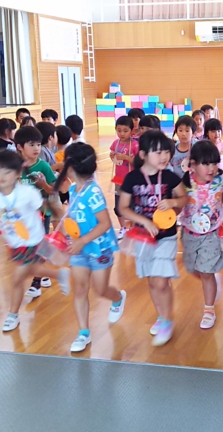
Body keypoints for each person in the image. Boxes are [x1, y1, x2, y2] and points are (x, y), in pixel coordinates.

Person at [0, 150, 70, 332]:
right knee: (33, 270)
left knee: (18, 277)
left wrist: (64, 223)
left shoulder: (27, 193)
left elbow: (47, 206)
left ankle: (12, 315)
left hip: (32, 239)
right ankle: (60, 275)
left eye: (7, 172)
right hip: (14, 241)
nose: (1, 176)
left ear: (16, 174)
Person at [54, 143, 125, 353]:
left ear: (72, 167)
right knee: (81, 289)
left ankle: (118, 298)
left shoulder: (93, 191)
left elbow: (104, 223)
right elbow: (75, 217)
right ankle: (83, 333)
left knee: (101, 289)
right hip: (79, 249)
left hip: (99, 248)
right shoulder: (74, 188)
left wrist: (82, 241)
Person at [118, 130, 186, 346]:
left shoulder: (170, 176)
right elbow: (123, 208)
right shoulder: (132, 178)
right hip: (142, 237)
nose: (164, 156)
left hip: (166, 237)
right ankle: (161, 315)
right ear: (143, 155)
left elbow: (184, 198)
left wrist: (174, 203)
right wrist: (144, 221)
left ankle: (167, 321)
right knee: (152, 280)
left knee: (160, 280)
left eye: (166, 151)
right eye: (158, 152)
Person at [176, 141, 223, 329]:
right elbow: (178, 204)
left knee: (206, 271)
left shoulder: (221, 180)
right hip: (189, 233)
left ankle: (209, 309)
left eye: (214, 163)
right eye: (206, 164)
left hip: (212, 233)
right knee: (192, 268)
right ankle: (209, 277)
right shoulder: (185, 182)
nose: (211, 168)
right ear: (193, 164)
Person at [15, 126, 57, 298]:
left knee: (39, 246)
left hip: (41, 214)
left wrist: (43, 185)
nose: (36, 148)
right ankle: (44, 272)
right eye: (31, 145)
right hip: (23, 217)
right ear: (19, 147)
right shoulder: (15, 167)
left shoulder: (44, 166)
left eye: (38, 144)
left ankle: (36, 283)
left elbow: (53, 190)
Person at [110, 116, 140, 239]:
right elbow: (113, 156)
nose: (122, 133)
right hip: (118, 179)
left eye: (125, 131)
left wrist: (127, 158)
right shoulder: (115, 143)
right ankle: (122, 227)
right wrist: (112, 156)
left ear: (132, 131)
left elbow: (138, 163)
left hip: (131, 181)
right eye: (119, 130)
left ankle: (132, 228)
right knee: (118, 206)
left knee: (132, 206)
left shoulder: (134, 145)